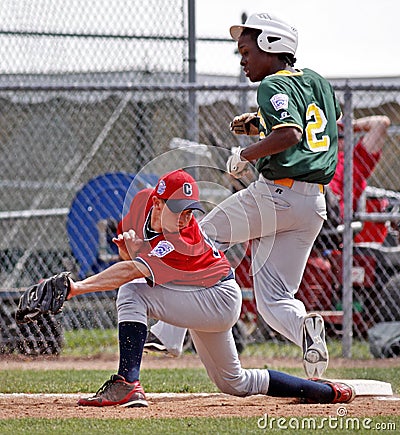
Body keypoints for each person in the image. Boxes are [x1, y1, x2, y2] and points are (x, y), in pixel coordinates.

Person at [145, 12, 342, 379]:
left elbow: (291, 134)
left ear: (271, 45)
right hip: (313, 203)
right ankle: (305, 330)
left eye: (247, 50)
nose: (243, 59)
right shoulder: (318, 82)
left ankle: (169, 334)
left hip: (276, 195)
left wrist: (244, 153)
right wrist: (260, 122)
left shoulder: (270, 87)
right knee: (274, 299)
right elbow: (319, 123)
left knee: (198, 236)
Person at [68, 169, 355, 407]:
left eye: (190, 211)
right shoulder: (140, 204)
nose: (185, 218)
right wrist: (127, 252)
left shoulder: (183, 238)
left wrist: (76, 288)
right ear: (156, 203)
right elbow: (136, 260)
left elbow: (134, 270)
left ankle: (127, 382)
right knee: (235, 383)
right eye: (178, 210)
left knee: (131, 291)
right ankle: (321, 391)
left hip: (217, 298)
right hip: (198, 296)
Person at [329, 116, 391, 216]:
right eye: (333, 133)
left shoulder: (355, 160)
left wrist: (349, 126)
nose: (338, 138)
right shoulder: (315, 156)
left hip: (333, 212)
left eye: (342, 135)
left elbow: (381, 123)